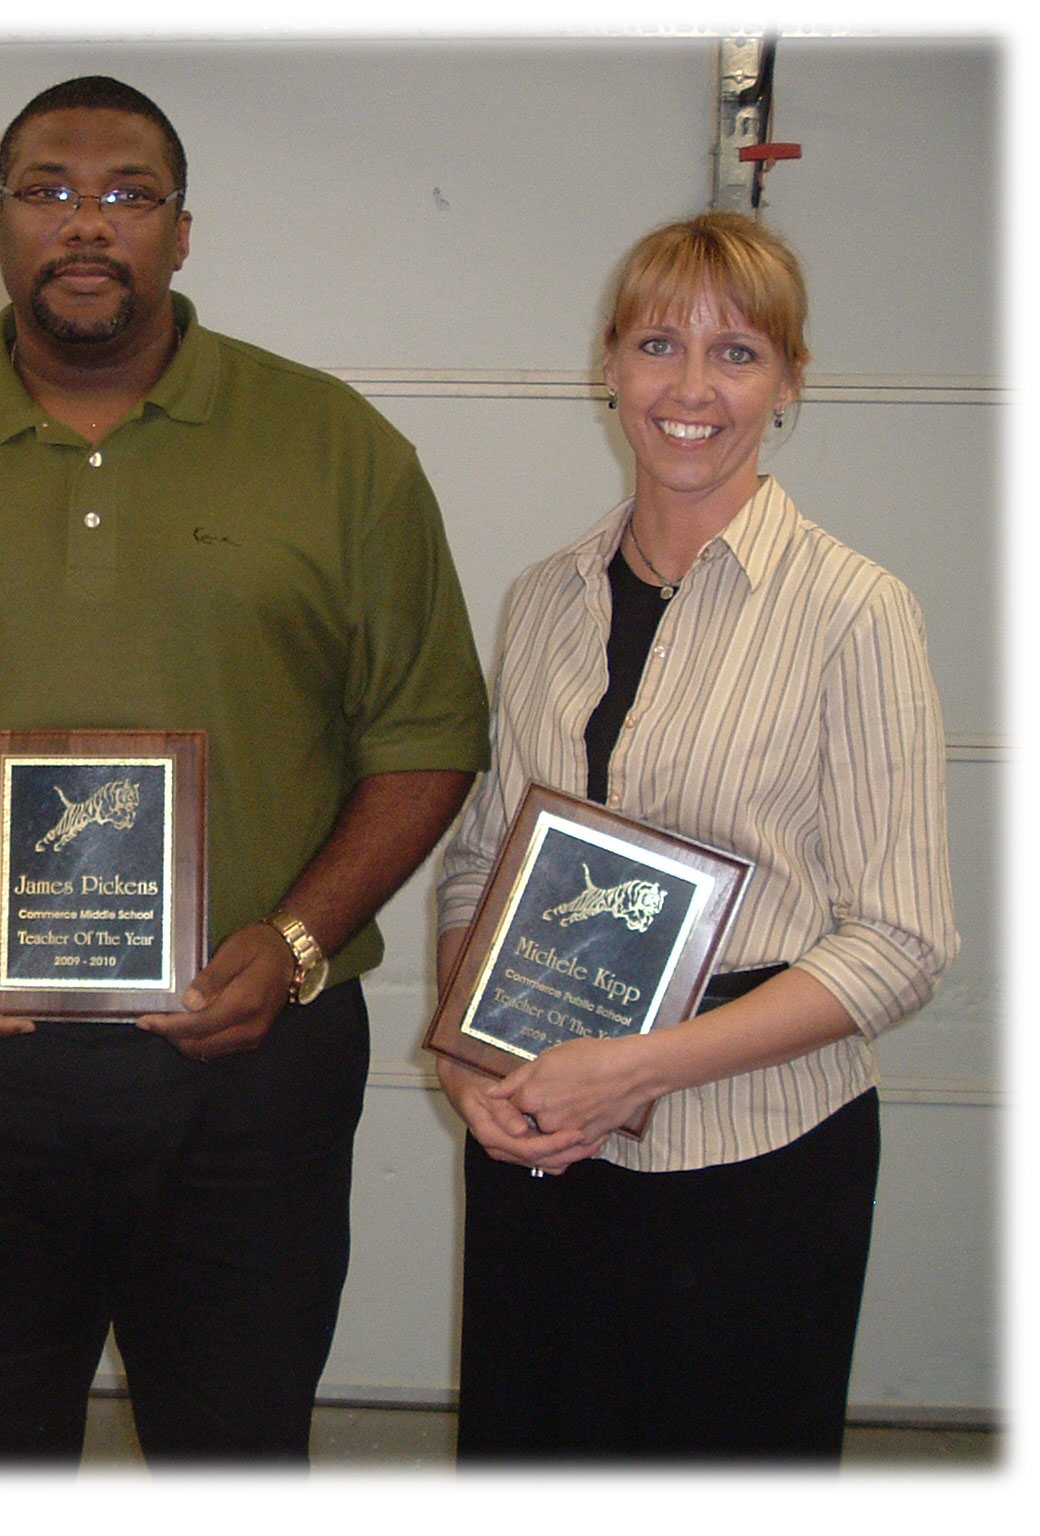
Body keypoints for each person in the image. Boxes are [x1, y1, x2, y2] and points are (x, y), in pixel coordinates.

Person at [0, 75, 489, 1463]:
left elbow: (429, 730)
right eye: (47, 191)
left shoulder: (336, 450)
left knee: (236, 1449)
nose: (83, 225)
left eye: (125, 195)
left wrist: (294, 940)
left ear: (181, 231)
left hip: (251, 1067)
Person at [431, 210, 957, 1461]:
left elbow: (900, 940)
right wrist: (461, 1059)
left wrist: (643, 1069)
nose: (689, 387)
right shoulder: (545, 597)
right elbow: (476, 861)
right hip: (541, 1126)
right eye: (658, 342)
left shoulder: (853, 610)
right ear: (607, 365)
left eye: (736, 354)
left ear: (787, 384)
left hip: (758, 1151)